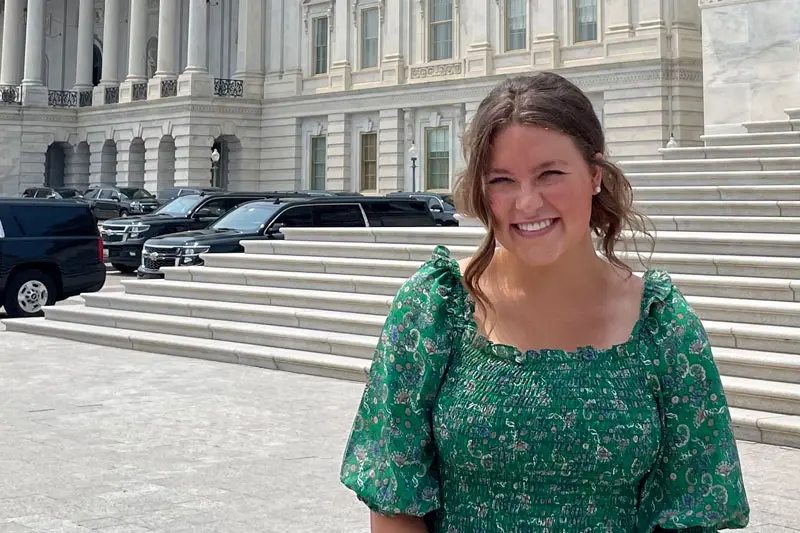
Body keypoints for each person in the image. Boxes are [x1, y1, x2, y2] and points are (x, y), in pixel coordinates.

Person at [339, 73, 750, 532]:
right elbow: (394, 497)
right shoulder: (433, 309)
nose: (527, 202)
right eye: (502, 180)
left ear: (595, 175)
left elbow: (694, 506)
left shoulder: (661, 324)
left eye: (549, 174)